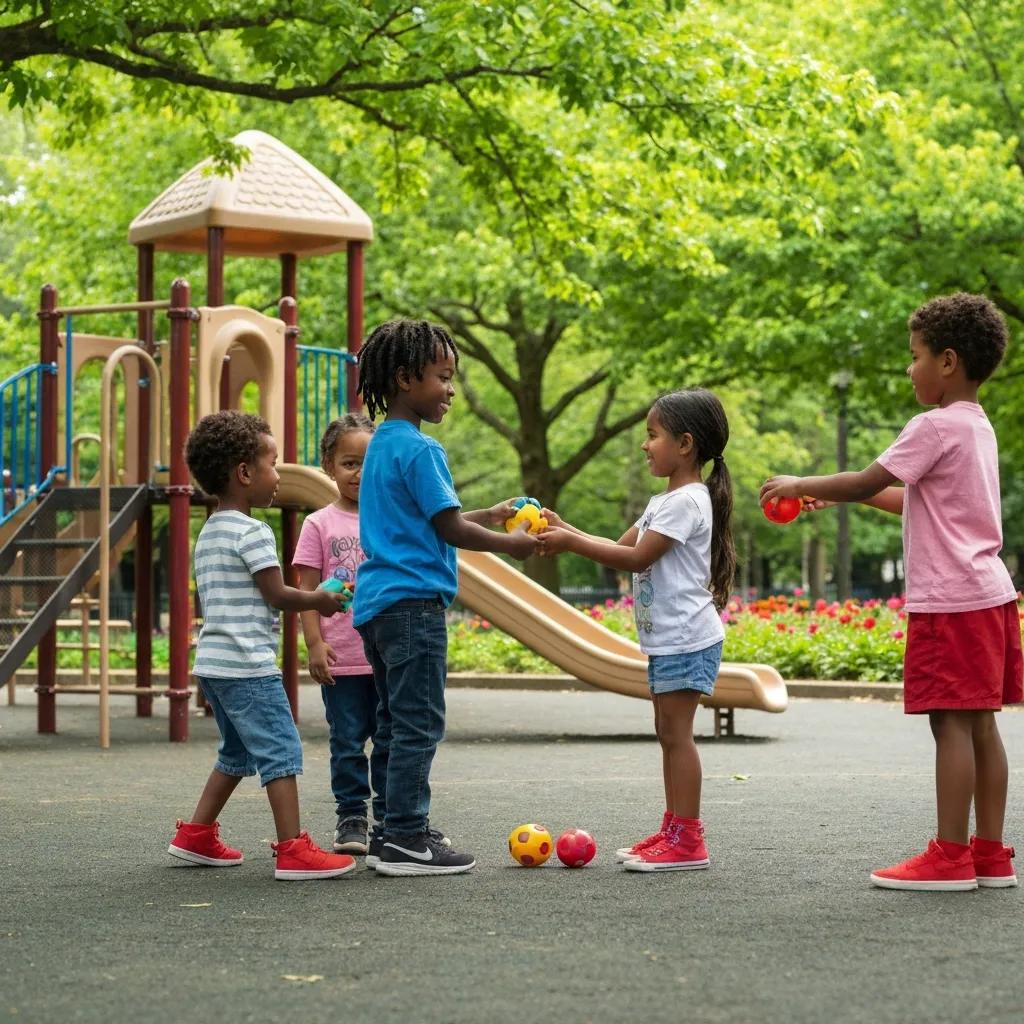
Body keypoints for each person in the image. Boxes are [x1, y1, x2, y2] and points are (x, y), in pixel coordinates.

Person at [761, 292, 1021, 892]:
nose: (910, 368)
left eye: (916, 356)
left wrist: (801, 482)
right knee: (982, 725)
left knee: (949, 726)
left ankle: (950, 855)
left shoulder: (931, 425)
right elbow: (909, 496)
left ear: (948, 361)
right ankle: (990, 855)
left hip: (950, 602)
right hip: (989, 595)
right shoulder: (977, 428)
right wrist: (842, 495)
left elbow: (866, 477)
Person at [353, 319, 538, 876]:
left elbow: (436, 520)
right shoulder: (422, 449)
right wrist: (513, 545)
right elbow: (452, 532)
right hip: (414, 606)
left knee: (392, 723)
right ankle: (408, 837)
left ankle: (391, 829)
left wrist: (490, 514)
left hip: (379, 605)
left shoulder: (381, 445)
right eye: (442, 376)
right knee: (418, 723)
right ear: (406, 378)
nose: (450, 389)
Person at [539, 388, 736, 872]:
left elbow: (635, 557)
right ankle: (675, 828)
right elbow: (616, 543)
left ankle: (689, 839)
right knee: (668, 733)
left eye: (652, 435)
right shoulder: (666, 500)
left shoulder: (685, 502)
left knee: (677, 735)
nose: (645, 445)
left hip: (687, 638)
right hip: (672, 638)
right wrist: (569, 532)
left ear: (685, 444)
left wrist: (570, 544)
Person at [168, 411, 356, 881]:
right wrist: (320, 599)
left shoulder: (210, 530)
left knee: (236, 754)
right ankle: (293, 849)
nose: (279, 475)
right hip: (248, 665)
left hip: (213, 663)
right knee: (281, 749)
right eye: (273, 463)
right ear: (245, 473)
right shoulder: (253, 532)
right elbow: (277, 594)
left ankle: (195, 834)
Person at [293, 414, 384, 856]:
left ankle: (390, 815)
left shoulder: (391, 519)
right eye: (349, 462)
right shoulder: (319, 524)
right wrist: (314, 643)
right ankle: (352, 816)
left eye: (369, 462)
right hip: (343, 656)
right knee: (347, 739)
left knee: (389, 736)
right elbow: (306, 591)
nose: (360, 473)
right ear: (328, 465)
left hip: (386, 654)